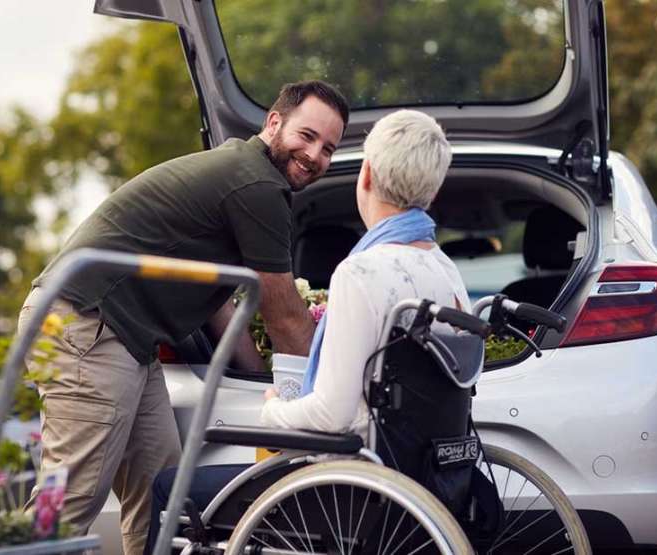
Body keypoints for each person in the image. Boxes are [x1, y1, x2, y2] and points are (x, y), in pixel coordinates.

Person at [17, 80, 349, 555]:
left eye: (328, 148)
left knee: (162, 493)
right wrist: (328, 393)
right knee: (69, 495)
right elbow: (286, 317)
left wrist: (256, 375)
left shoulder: (243, 173)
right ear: (273, 122)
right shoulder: (258, 185)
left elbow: (216, 302)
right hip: (86, 325)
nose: (315, 155)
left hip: (125, 339)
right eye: (307, 136)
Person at [147, 109, 468, 549]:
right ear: (432, 191)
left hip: (348, 488)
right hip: (425, 479)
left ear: (367, 174)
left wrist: (273, 409)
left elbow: (330, 417)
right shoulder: (446, 273)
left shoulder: (362, 272)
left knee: (168, 487)